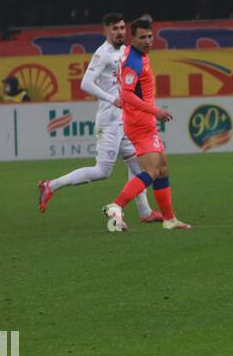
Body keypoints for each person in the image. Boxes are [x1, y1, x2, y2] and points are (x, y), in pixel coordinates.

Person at [38, 13, 157, 223]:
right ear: (106, 31)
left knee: (138, 167)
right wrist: (112, 98)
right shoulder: (102, 54)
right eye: (114, 28)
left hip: (126, 120)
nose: (119, 32)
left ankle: (145, 212)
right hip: (110, 121)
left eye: (122, 28)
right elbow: (85, 83)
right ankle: (51, 185)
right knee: (102, 171)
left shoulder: (127, 52)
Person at [103, 17, 192, 231]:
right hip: (139, 123)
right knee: (151, 171)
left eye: (150, 36)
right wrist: (156, 111)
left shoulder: (140, 57)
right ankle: (116, 207)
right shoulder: (133, 61)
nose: (148, 41)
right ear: (133, 38)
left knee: (162, 168)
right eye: (142, 37)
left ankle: (169, 219)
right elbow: (126, 95)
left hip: (146, 122)